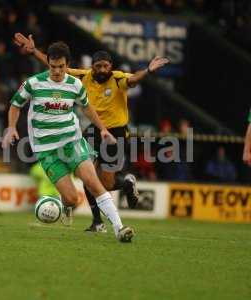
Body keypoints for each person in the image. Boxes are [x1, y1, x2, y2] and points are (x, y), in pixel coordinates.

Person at [13, 33, 169, 232]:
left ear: (110, 66)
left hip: (117, 134)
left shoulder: (118, 78)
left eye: (105, 66)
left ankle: (127, 183)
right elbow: (56, 66)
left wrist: (147, 70)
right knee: (89, 174)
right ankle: (97, 222)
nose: (102, 69)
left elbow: (134, 80)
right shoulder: (83, 76)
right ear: (92, 67)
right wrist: (34, 51)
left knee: (107, 182)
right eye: (98, 66)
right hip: (95, 130)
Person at [2, 42, 134, 243]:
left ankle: (119, 228)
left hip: (72, 142)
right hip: (46, 150)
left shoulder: (75, 84)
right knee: (72, 198)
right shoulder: (33, 83)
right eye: (53, 66)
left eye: (61, 66)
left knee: (93, 183)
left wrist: (103, 129)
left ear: (67, 64)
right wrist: (11, 127)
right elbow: (15, 105)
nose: (56, 71)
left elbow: (87, 108)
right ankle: (65, 206)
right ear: (48, 63)